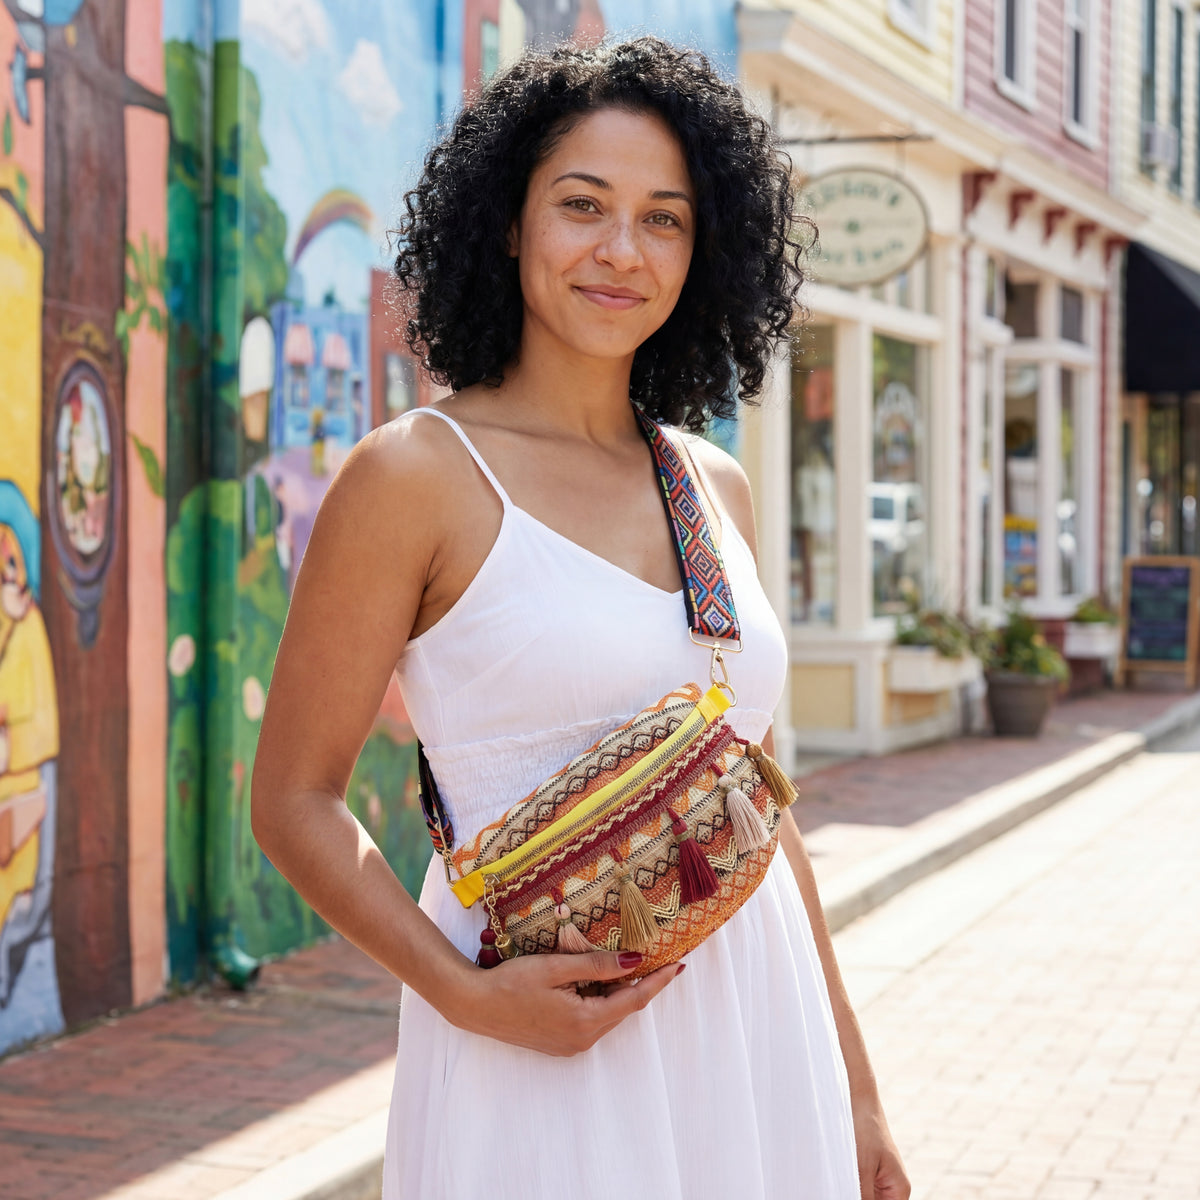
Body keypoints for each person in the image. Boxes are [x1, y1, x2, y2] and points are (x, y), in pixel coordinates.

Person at [252, 37, 909, 1200]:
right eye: (582, 205)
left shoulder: (714, 485)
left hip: (762, 1038)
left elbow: (759, 806)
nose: (622, 250)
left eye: (664, 220)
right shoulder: (416, 475)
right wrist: (463, 995)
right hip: (539, 1044)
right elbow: (294, 801)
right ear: (509, 224)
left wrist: (855, 1086)